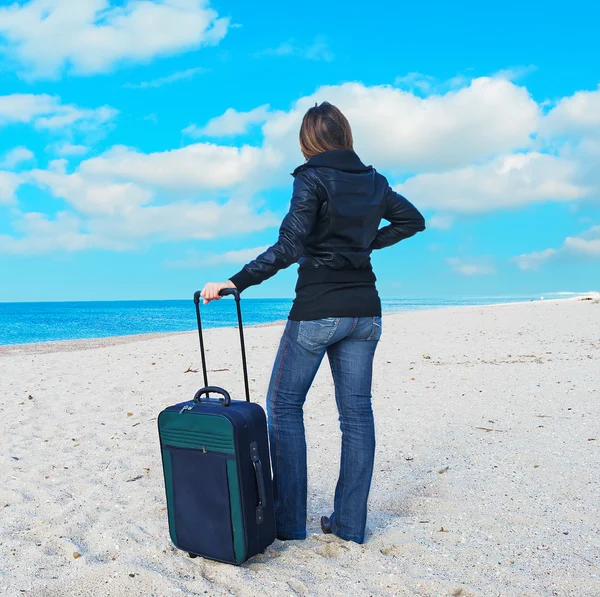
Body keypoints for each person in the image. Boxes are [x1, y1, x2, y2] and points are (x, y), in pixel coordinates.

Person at [201, 102, 425, 544]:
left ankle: (287, 522)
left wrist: (235, 281)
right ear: (345, 134)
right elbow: (412, 220)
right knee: (357, 416)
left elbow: (289, 245)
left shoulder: (312, 177)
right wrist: (363, 246)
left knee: (284, 408)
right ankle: (349, 525)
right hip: (365, 312)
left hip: (318, 309)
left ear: (309, 141)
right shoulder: (374, 181)